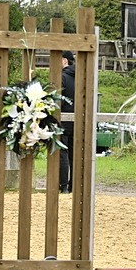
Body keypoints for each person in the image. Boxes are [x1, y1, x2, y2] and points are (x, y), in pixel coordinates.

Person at [58, 51, 76, 193]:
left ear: (65, 61)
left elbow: (59, 100)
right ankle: (74, 185)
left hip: (63, 120)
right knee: (74, 154)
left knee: (62, 152)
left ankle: (63, 185)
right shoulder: (82, 76)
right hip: (78, 121)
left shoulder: (62, 77)